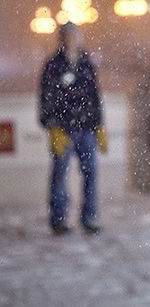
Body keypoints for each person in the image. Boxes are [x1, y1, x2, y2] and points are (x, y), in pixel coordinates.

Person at [38, 22, 106, 234]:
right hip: (63, 129)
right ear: (62, 38)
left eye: (75, 35)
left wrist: (99, 125)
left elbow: (95, 96)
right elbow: (46, 98)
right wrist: (52, 126)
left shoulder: (86, 63)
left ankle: (89, 218)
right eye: (68, 36)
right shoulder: (53, 65)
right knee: (60, 174)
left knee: (90, 174)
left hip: (87, 128)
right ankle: (58, 219)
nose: (72, 40)